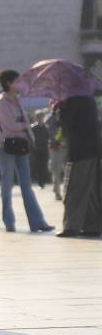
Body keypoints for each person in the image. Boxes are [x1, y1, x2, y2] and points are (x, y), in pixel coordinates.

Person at [0, 69, 54, 234]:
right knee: (7, 186)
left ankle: (37, 222)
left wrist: (28, 133)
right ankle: (9, 222)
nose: (20, 84)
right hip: (6, 147)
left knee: (27, 186)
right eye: (17, 81)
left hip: (22, 145)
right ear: (8, 83)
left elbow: (24, 121)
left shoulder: (18, 100)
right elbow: (11, 125)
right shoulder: (1, 102)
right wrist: (25, 127)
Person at [55, 96, 102, 237]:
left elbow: (67, 124)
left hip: (80, 151)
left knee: (75, 188)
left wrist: (59, 111)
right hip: (93, 149)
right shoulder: (88, 99)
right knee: (91, 189)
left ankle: (71, 226)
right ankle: (92, 226)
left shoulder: (73, 100)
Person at [46, 105, 67, 201]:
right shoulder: (50, 119)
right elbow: (50, 133)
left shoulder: (67, 117)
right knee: (56, 170)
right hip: (55, 147)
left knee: (67, 171)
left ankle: (65, 191)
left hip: (65, 147)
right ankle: (57, 191)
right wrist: (57, 141)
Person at [30, 109, 50, 189]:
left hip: (44, 149)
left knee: (44, 165)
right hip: (36, 150)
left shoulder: (46, 127)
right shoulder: (33, 127)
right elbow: (30, 139)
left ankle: (43, 181)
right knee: (37, 166)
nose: (40, 118)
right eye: (38, 117)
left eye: (41, 117)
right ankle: (40, 181)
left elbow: (48, 137)